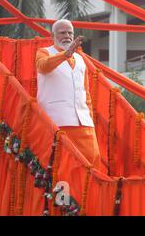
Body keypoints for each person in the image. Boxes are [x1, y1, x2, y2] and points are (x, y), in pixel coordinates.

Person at [36, 19, 101, 169]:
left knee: (93, 162)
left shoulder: (80, 59)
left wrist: (90, 117)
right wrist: (65, 54)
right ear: (53, 36)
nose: (67, 36)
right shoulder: (44, 52)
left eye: (70, 32)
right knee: (62, 166)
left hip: (83, 122)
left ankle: (88, 193)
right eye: (62, 32)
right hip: (57, 121)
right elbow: (43, 67)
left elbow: (86, 93)